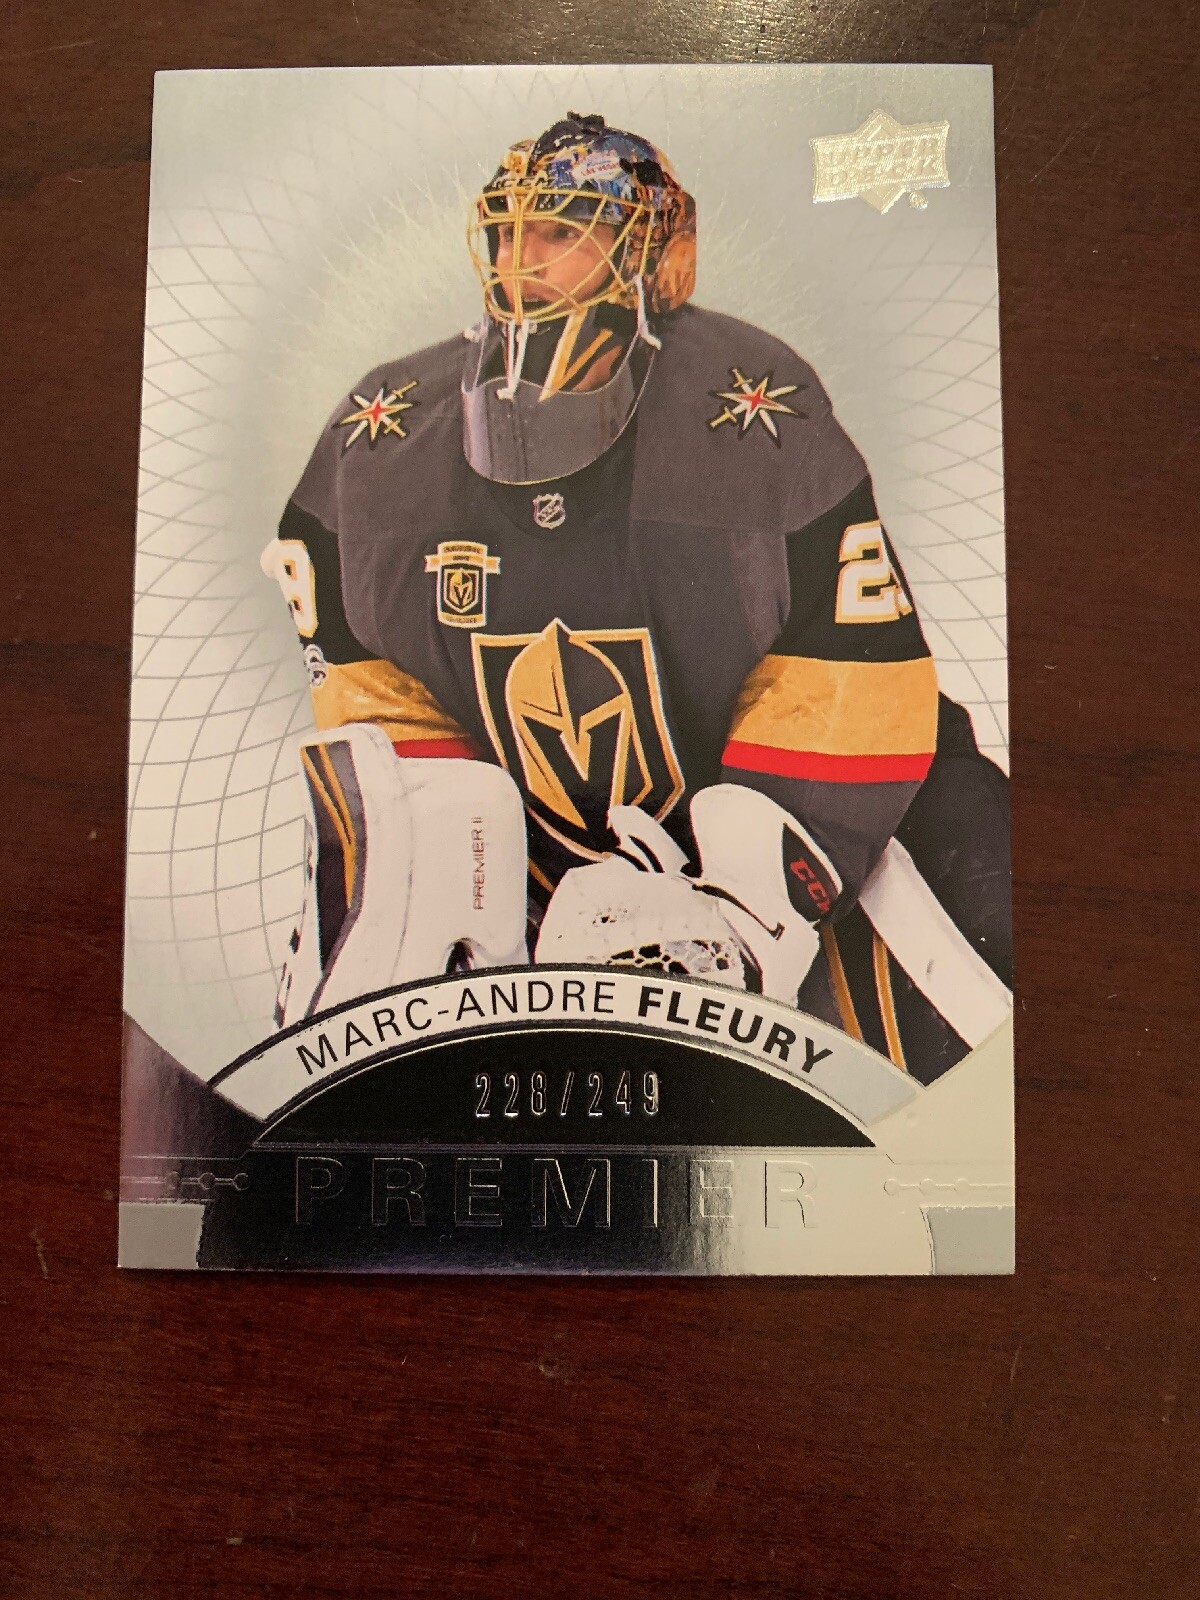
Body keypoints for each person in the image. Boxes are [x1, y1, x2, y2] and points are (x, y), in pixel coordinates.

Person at [262, 111, 1011, 1083]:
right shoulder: (381, 440)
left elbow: (852, 678)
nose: (522, 262)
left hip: (804, 839)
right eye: (509, 233)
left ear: (652, 249)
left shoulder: (752, 410)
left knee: (972, 893)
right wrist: (439, 883)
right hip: (549, 873)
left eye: (560, 231)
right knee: (391, 873)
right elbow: (377, 696)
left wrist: (743, 903)